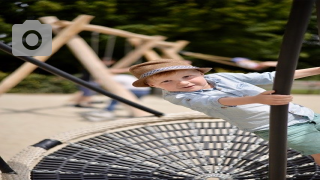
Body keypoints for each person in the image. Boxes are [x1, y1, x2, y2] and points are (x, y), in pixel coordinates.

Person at [129, 59, 320, 165]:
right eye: (167, 82)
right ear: (153, 85)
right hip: (279, 127)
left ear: (200, 73)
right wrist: (255, 99)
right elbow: (215, 101)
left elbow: (267, 76)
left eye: (188, 76)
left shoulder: (220, 77)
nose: (183, 83)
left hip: (303, 114)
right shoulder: (176, 97)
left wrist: (316, 69)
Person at [80, 74, 151, 121]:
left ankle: (109, 110)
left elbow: (114, 89)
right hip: (145, 90)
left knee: (115, 98)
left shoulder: (111, 79)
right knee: (134, 102)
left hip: (134, 90)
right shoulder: (119, 77)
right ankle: (135, 113)